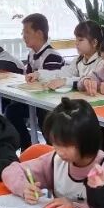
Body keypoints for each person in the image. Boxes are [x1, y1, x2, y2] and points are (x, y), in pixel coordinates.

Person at [1, 97, 104, 208]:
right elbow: (10, 171)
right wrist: (23, 187)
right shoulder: (56, 161)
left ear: (87, 140)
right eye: (55, 144)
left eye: (66, 145)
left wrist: (75, 206)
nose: (59, 151)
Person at [6, 14, 63, 149]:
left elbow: (47, 84)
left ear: (39, 33)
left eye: (26, 32)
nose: (23, 36)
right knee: (12, 110)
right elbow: (28, 79)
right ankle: (26, 146)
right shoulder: (32, 53)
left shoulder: (52, 56)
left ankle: (52, 149)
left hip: (50, 102)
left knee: (44, 114)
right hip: (35, 99)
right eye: (23, 33)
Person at [42, 21, 104, 92]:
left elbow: (90, 79)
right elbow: (65, 73)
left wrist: (65, 81)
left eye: (80, 40)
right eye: (76, 39)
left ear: (94, 42)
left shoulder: (102, 62)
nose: (76, 43)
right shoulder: (78, 60)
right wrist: (40, 74)